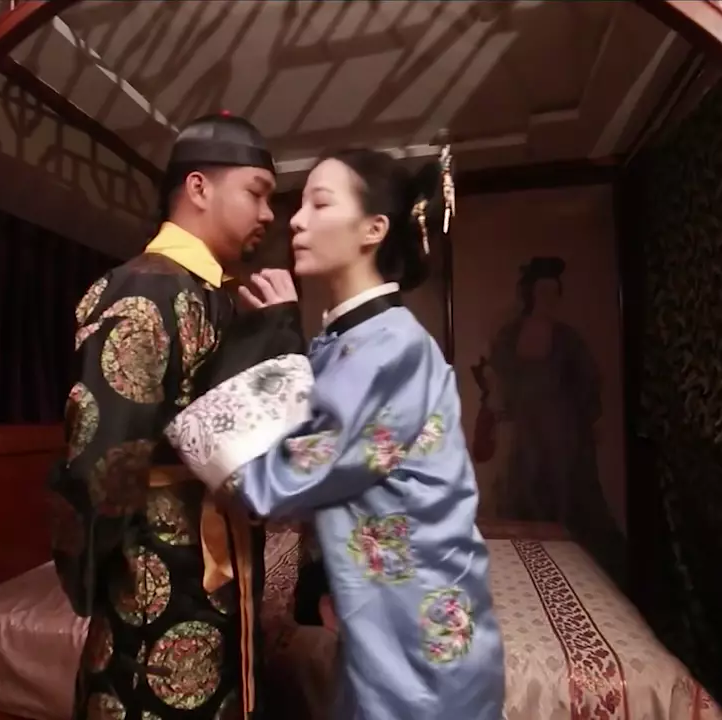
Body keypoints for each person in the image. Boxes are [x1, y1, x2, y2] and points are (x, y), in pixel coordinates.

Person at [163, 146, 506, 720]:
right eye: (300, 205)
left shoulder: (392, 349)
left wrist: (189, 431)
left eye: (320, 204)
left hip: (416, 629)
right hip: (382, 612)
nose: (296, 220)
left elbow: (278, 481)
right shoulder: (350, 341)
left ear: (374, 229)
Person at [47, 111, 298, 720]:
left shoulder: (216, 293)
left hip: (215, 551)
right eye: (257, 193)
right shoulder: (143, 287)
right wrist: (96, 570)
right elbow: (101, 455)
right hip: (153, 564)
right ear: (199, 188)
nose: (269, 213)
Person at [480, 256, 627, 582]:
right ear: (530, 294)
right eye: (542, 292)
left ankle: (573, 571)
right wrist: (499, 404)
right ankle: (524, 569)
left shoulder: (567, 338)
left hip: (561, 428)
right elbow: (498, 375)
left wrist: (590, 417)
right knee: (522, 487)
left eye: (553, 293)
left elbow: (588, 380)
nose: (548, 299)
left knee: (564, 490)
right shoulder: (510, 335)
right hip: (523, 427)